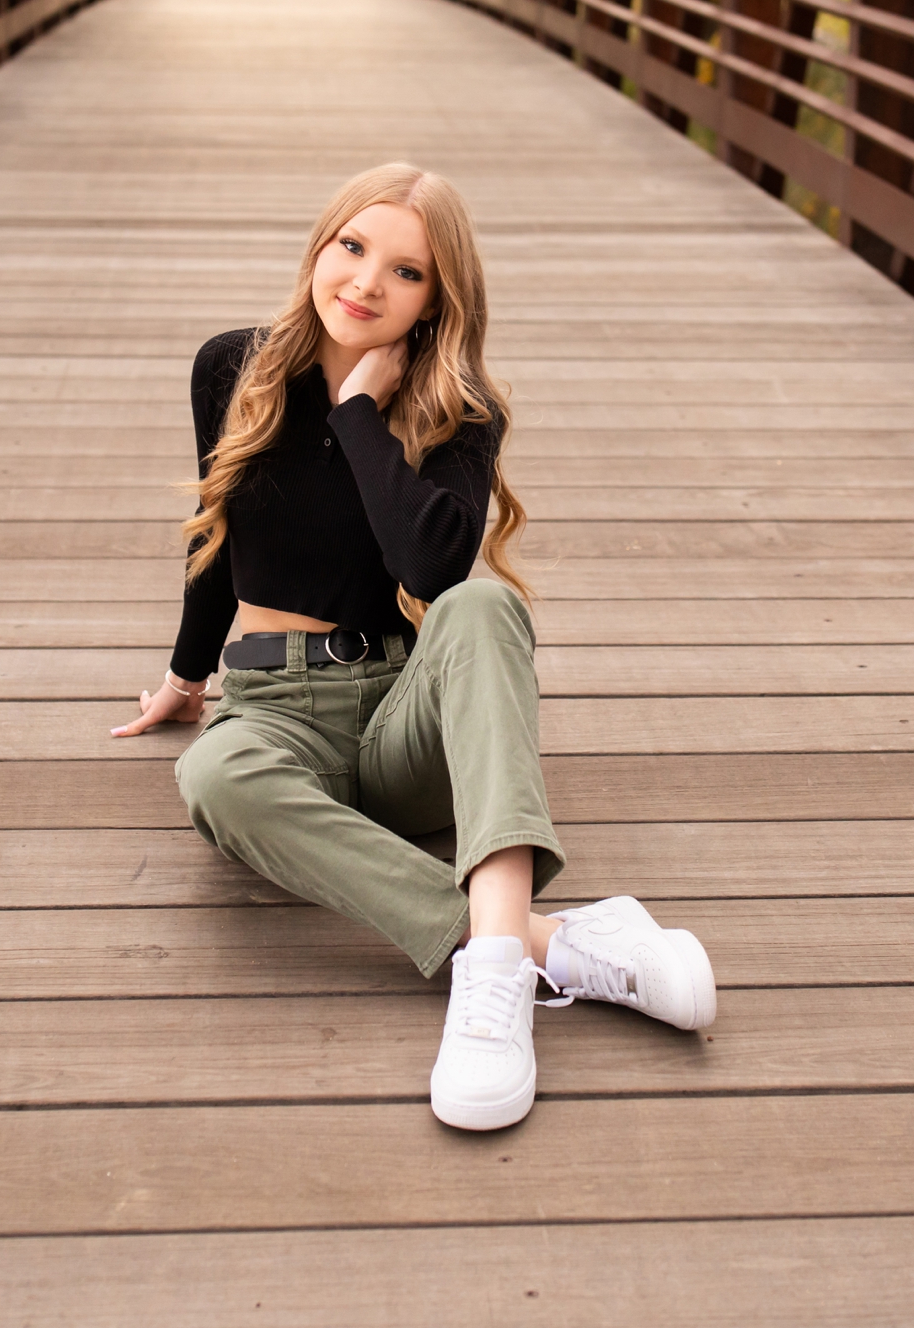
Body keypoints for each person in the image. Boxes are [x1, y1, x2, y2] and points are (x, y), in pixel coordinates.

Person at [112, 162, 716, 1130]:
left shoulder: (460, 408)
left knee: (480, 608)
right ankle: (532, 945)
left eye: (406, 272)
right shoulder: (232, 366)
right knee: (215, 779)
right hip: (273, 716)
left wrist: (361, 413)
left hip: (405, 720)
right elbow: (214, 535)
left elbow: (433, 571)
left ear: (438, 301)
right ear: (321, 244)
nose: (364, 282)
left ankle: (489, 1006)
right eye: (352, 247)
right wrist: (188, 674)